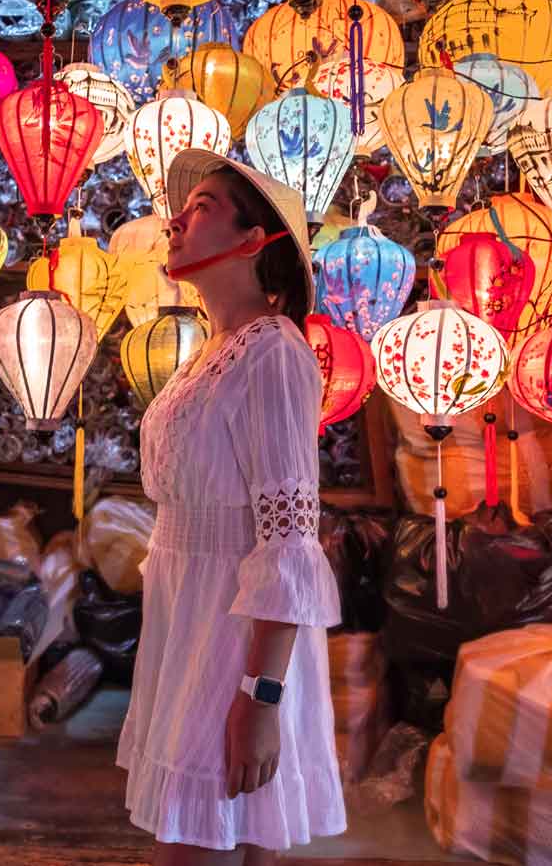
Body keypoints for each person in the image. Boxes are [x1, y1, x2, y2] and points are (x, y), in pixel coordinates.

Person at [116, 149, 345, 866]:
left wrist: (261, 696)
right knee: (217, 839)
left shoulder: (273, 353)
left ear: (253, 242)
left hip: (236, 637)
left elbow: (289, 539)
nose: (176, 220)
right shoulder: (211, 352)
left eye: (205, 207)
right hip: (187, 622)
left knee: (204, 839)